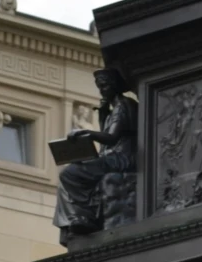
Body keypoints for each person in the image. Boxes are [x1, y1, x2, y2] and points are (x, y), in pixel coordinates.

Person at [54, 66, 139, 240]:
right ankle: (76, 219)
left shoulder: (123, 105)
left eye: (105, 86)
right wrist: (102, 116)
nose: (102, 91)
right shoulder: (112, 109)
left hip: (122, 158)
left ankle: (85, 215)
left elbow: (111, 138)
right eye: (99, 87)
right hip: (112, 157)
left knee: (70, 173)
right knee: (68, 175)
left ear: (115, 85)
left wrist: (86, 133)